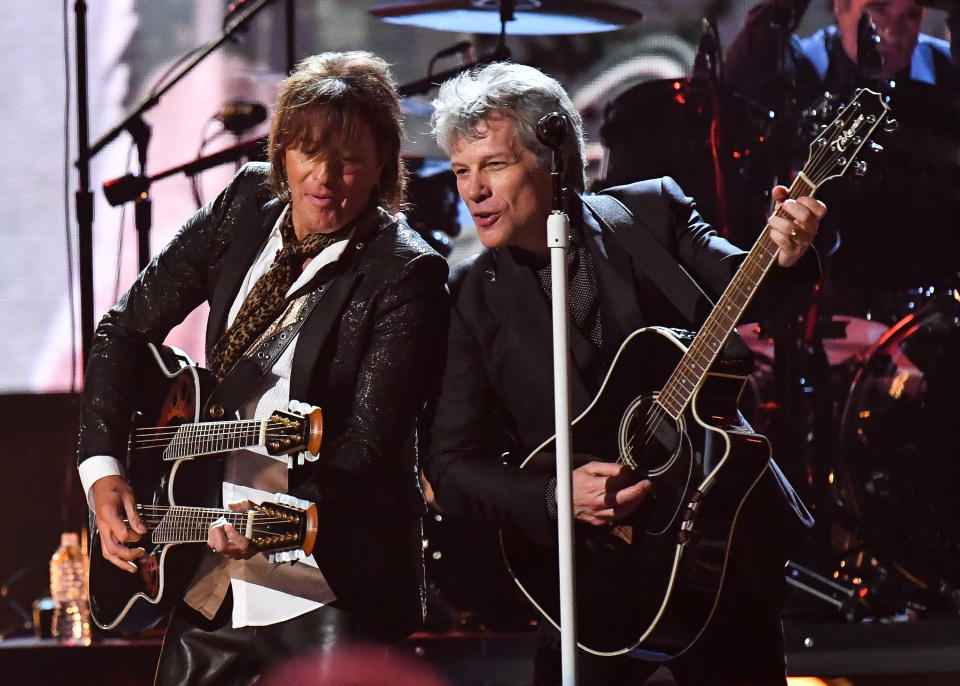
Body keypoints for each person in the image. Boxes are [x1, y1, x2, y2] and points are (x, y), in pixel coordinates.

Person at [423, 62, 826, 685]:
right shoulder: (470, 301)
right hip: (590, 572)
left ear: (554, 160)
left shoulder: (650, 214)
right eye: (460, 170)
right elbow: (449, 466)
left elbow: (750, 287)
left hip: (715, 547)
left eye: (494, 165)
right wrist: (557, 498)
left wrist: (786, 253)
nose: (472, 190)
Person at [76, 51, 448, 685]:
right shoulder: (245, 201)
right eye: (308, 152)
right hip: (210, 575)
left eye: (350, 158)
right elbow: (125, 328)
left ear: (384, 161)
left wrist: (275, 524)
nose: (325, 177)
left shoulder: (406, 272)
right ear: (281, 153)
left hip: (325, 588)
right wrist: (103, 467)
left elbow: (365, 449)